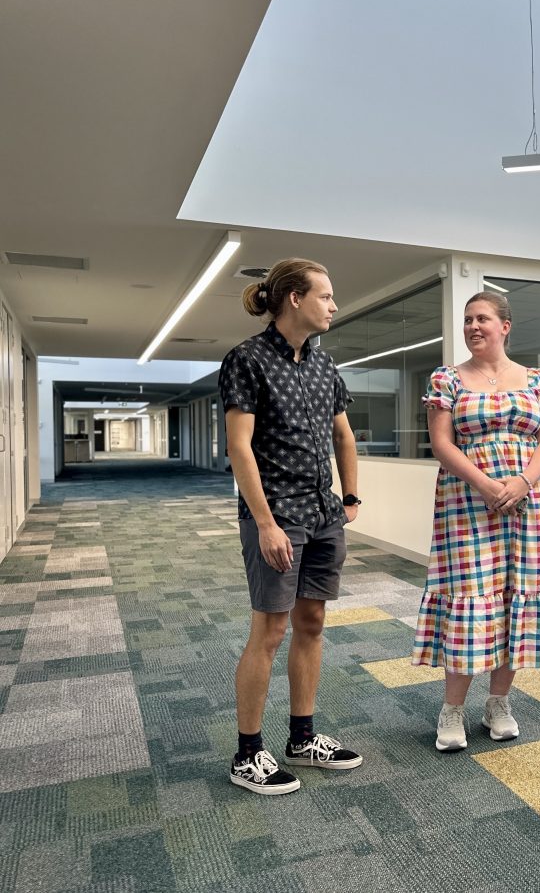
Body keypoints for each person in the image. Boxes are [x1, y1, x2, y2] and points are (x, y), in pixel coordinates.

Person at [219, 257, 363, 794]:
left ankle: (302, 737)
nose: (333, 305)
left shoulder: (325, 366)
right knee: (271, 629)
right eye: (325, 296)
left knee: (312, 624)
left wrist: (349, 497)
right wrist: (265, 523)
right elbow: (239, 448)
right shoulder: (247, 360)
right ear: (295, 299)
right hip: (276, 517)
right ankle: (248, 755)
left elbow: (343, 436)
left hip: (322, 515)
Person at [412, 290, 540, 751]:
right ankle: (453, 710)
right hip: (465, 501)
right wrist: (485, 484)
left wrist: (522, 482)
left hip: (530, 501)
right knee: (470, 597)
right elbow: (441, 444)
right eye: (467, 320)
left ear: (505, 325)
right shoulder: (447, 379)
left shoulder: (536, 379)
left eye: (482, 318)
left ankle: (498, 702)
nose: (473, 327)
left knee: (517, 594)